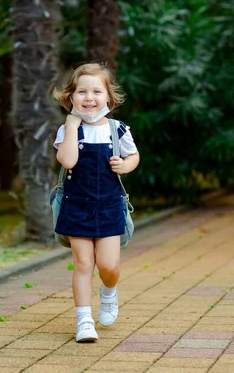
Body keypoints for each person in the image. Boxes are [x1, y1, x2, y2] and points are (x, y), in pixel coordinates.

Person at [53, 62, 140, 342]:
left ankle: (109, 292)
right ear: (71, 97)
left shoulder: (117, 129)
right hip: (76, 203)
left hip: (109, 204)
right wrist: (71, 124)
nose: (89, 97)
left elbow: (134, 156)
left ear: (108, 98)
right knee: (83, 263)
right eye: (81, 91)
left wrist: (125, 166)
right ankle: (84, 322)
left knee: (109, 266)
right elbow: (67, 161)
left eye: (96, 91)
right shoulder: (67, 130)